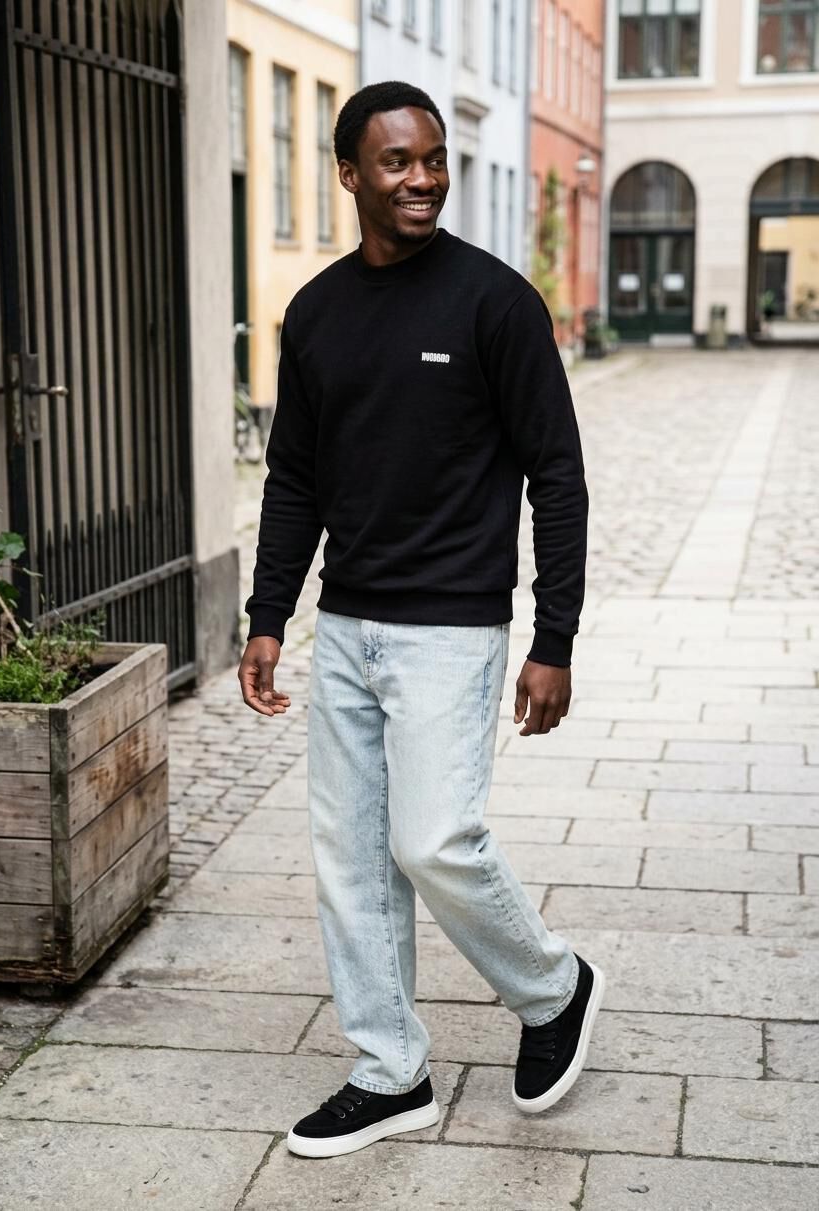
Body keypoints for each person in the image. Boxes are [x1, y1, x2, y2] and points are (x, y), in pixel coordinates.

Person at [238, 81, 604, 1160]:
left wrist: (553, 637)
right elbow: (294, 477)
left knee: (434, 839)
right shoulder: (315, 312)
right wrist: (269, 615)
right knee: (351, 858)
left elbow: (558, 474)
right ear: (348, 173)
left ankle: (552, 986)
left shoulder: (495, 302)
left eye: (433, 159)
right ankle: (388, 1069)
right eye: (396, 161)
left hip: (452, 626)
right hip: (347, 624)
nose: (423, 178)